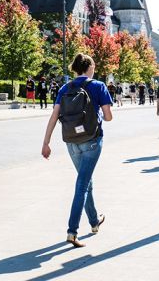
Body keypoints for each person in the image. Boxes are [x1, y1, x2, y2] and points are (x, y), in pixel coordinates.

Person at [41, 53, 113, 248]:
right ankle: (72, 231)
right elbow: (108, 117)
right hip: (91, 141)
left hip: (71, 141)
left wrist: (46, 142)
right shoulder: (98, 86)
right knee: (82, 184)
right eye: (94, 65)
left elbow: (54, 116)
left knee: (85, 180)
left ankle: (94, 221)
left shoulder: (65, 88)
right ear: (89, 66)